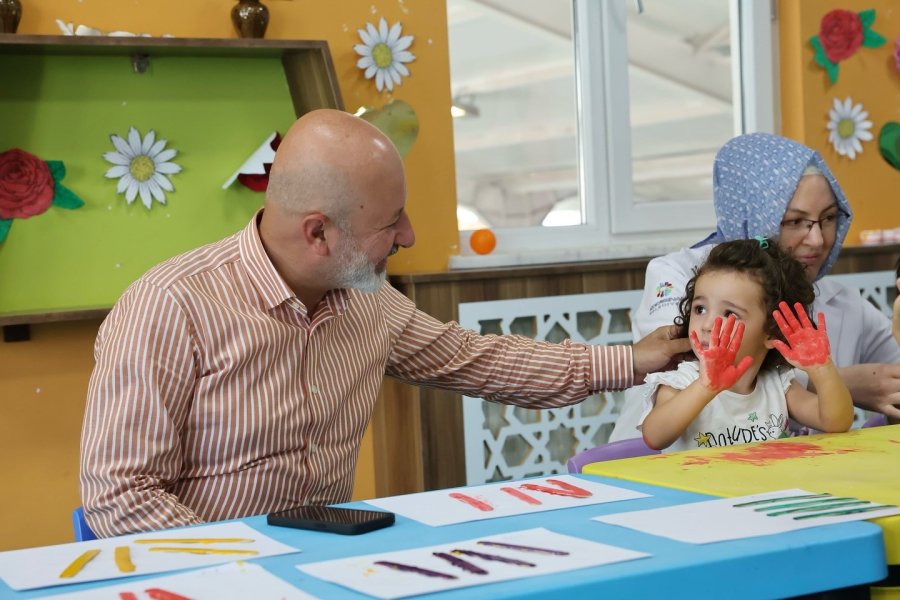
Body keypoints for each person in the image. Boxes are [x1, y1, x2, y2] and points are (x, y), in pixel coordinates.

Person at [80, 109, 691, 537]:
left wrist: (632, 361)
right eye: (391, 222)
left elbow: (477, 359)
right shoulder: (169, 307)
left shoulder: (367, 300)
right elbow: (121, 497)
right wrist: (245, 569)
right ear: (318, 232)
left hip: (328, 559)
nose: (409, 237)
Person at [611, 133, 900, 442]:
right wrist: (845, 383)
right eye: (793, 221)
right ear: (754, 214)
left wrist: (823, 369)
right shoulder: (677, 273)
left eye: (828, 218)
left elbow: (840, 412)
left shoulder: (836, 300)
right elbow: (695, 362)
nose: (817, 240)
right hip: (648, 470)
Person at [639, 240, 853, 452]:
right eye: (700, 309)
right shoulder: (682, 382)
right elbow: (654, 436)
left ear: (771, 331)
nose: (707, 325)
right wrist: (704, 388)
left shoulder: (777, 384)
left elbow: (836, 422)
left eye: (729, 314)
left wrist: (822, 368)